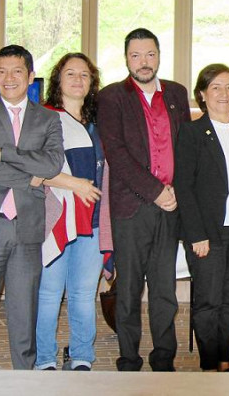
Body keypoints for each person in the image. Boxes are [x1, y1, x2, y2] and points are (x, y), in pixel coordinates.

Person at [0, 45, 65, 370]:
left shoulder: (48, 118)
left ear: (30, 76)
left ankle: (25, 377)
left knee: (24, 308)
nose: (9, 78)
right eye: (2, 71)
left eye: (17, 71)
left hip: (27, 226)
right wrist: (28, 178)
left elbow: (51, 164)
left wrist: (5, 153)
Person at [97, 28, 191, 372]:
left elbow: (186, 148)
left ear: (159, 55)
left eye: (149, 54)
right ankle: (129, 359)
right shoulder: (112, 97)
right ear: (126, 59)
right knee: (130, 290)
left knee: (165, 290)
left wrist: (177, 191)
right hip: (132, 207)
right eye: (136, 55)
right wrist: (156, 192)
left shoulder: (177, 94)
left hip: (172, 208)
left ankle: (164, 358)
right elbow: (116, 154)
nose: (144, 62)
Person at [175, 64, 229, 373]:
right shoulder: (192, 132)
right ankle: (209, 365)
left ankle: (225, 361)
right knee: (208, 301)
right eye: (216, 87)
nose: (224, 93)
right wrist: (196, 234)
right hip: (208, 232)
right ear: (202, 94)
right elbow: (184, 186)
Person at [35, 52, 111, 371]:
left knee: (82, 294)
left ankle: (82, 355)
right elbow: (33, 171)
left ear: (92, 82)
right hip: (56, 220)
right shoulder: (43, 118)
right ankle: (45, 358)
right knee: (49, 293)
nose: (78, 79)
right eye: (70, 74)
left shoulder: (100, 123)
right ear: (58, 80)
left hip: (92, 222)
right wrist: (74, 185)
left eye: (84, 74)